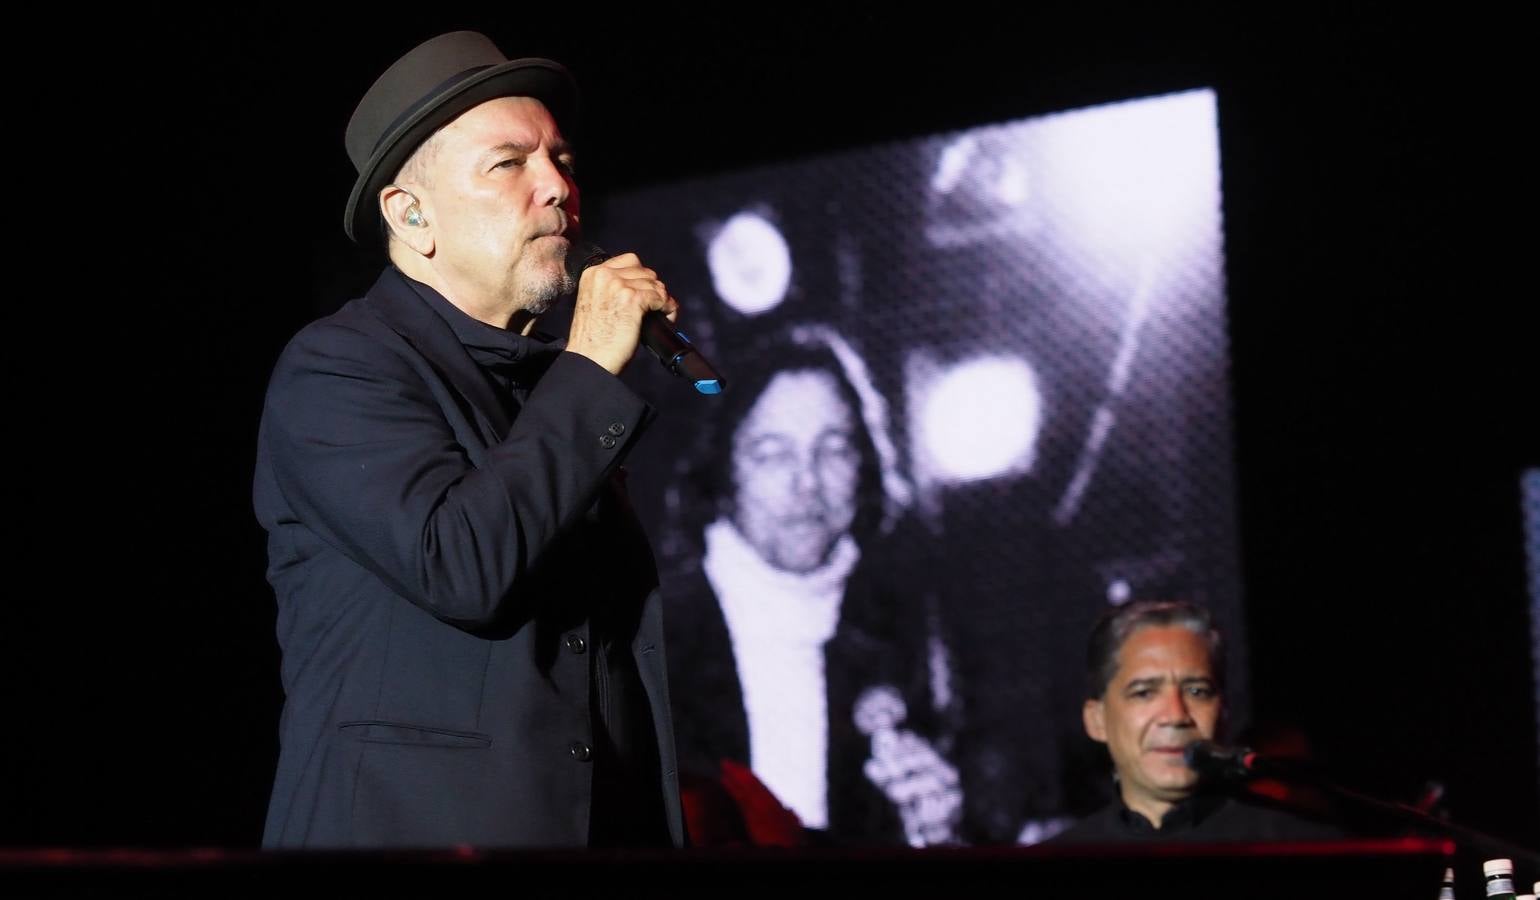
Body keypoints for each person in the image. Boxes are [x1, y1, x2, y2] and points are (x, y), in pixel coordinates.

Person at [252, 31, 684, 848]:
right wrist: (590, 362)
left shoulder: (545, 385)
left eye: (560, 158)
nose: (558, 187)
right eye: (509, 163)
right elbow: (460, 564)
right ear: (410, 214)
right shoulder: (339, 368)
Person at [661, 323, 963, 846]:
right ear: (724, 471)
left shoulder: (901, 633)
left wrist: (936, 833)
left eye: (833, 449)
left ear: (863, 467)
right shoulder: (650, 630)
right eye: (773, 453)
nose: (808, 482)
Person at [1052, 600, 1341, 843]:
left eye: (1197, 691)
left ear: (1224, 712)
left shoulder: (1299, 848)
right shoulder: (1049, 866)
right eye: (1144, 693)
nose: (1176, 716)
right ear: (1096, 720)